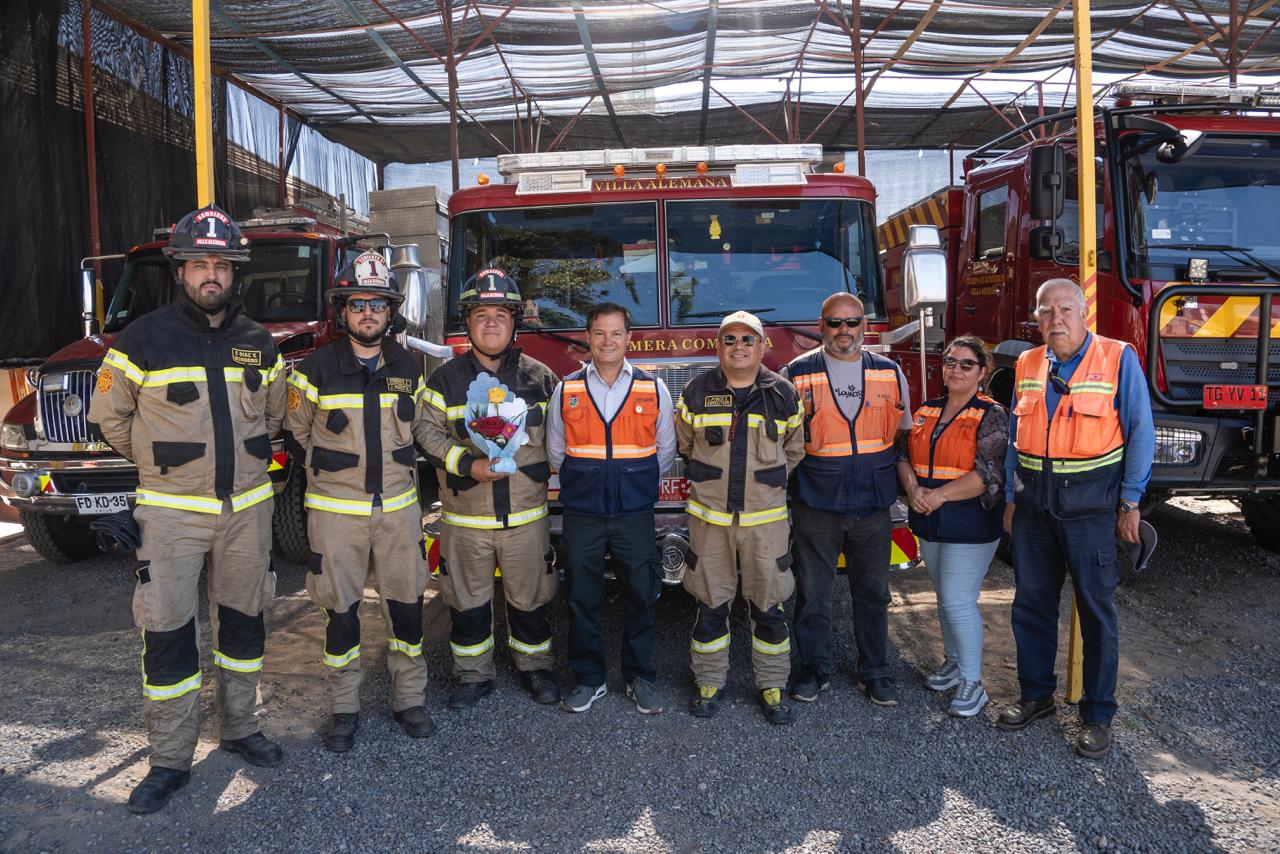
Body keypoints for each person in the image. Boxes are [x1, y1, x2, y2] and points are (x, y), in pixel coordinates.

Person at [89, 203, 287, 814]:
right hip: (171, 516)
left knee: (245, 624)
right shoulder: (142, 338)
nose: (211, 274)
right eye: (199, 263)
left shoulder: (259, 343)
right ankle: (169, 760)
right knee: (169, 632)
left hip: (248, 512)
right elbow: (109, 419)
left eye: (221, 264)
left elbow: (276, 418)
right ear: (179, 271)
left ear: (235, 273)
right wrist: (160, 465)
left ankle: (240, 726)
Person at [998, 278, 1154, 759]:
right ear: (1037, 318)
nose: (1055, 320)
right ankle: (1036, 695)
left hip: (1090, 509)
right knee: (1031, 605)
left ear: (1083, 312)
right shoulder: (1027, 362)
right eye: (1046, 312)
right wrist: (1009, 496)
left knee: (1096, 612)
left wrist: (1129, 503)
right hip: (1033, 507)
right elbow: (1013, 439)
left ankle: (1098, 715)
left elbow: (1140, 432)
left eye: (1065, 309)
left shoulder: (1116, 356)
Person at [284, 251, 433, 752]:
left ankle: (408, 699)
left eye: (377, 303)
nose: (368, 312)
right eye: (357, 303)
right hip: (336, 518)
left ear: (391, 312)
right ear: (342, 311)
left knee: (407, 609)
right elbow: (298, 430)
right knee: (340, 613)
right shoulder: (317, 367)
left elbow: (421, 430)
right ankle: (344, 708)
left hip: (397, 512)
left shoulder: (408, 366)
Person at [416, 268, 560, 709]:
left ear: (516, 321)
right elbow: (425, 432)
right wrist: (467, 463)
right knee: (466, 602)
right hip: (465, 519)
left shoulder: (541, 378)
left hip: (526, 519)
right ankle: (472, 675)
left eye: (502, 313)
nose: (492, 323)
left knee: (531, 600)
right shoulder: (444, 380)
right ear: (468, 321)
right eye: (481, 314)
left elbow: (561, 438)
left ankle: (535, 669)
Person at [546, 303, 677, 714]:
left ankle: (640, 678)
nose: (608, 341)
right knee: (581, 597)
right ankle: (589, 678)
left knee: (641, 596)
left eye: (616, 333)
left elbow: (666, 451)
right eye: (600, 333)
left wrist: (629, 480)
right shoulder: (565, 390)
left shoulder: (653, 388)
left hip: (633, 514)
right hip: (582, 513)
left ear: (628, 339)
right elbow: (555, 450)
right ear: (588, 337)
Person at [676, 311, 805, 724]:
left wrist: (761, 485)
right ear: (718, 347)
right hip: (709, 522)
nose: (739, 347)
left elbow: (794, 450)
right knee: (711, 606)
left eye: (748, 339)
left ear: (763, 346)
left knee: (769, 609)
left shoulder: (783, 394)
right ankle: (709, 683)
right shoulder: (696, 392)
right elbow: (684, 446)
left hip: (765, 526)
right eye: (729, 339)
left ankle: (772, 686)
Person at [785, 292, 913, 706]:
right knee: (813, 593)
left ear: (864, 326)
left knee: (874, 593)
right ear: (821, 327)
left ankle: (875, 671)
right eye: (835, 323)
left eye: (852, 322)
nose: (845, 331)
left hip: (873, 506)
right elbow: (782, 442)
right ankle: (813, 669)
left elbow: (902, 437)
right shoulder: (795, 374)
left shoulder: (890, 373)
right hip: (816, 504)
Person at [896, 335, 1008, 717]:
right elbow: (903, 454)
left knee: (959, 600)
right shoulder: (927, 409)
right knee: (944, 597)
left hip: (970, 522)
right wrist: (912, 489)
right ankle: (954, 662)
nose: (955, 369)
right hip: (929, 520)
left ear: (982, 372)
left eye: (966, 364)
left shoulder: (992, 414)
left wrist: (938, 496)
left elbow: (988, 475)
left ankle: (974, 684)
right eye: (950, 361)